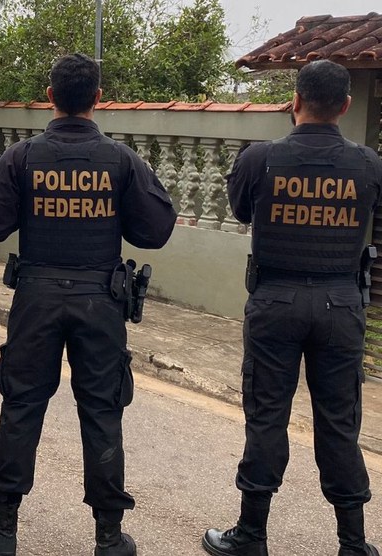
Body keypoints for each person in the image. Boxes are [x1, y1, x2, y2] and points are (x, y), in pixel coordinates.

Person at [0, 53, 177, 556]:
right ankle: (108, 536)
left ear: (50, 97)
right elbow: (156, 230)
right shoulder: (121, 160)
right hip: (99, 302)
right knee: (103, 411)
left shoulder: (21, 157)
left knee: (21, 404)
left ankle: (4, 528)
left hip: (36, 299)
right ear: (97, 99)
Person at [203, 60, 382, 556]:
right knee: (339, 422)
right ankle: (353, 543)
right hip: (341, 304)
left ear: (296, 101)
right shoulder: (368, 164)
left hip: (275, 302)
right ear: (345, 106)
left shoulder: (260, 158)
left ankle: (251, 535)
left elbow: (242, 211)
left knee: (267, 417)